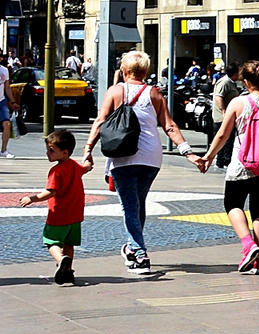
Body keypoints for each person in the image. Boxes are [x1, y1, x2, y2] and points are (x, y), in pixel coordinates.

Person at [81, 49, 195, 277]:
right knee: (138, 202)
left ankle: (140, 253)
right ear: (145, 71)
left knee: (130, 206)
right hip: (151, 157)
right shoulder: (154, 94)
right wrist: (187, 151)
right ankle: (133, 247)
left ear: (124, 70)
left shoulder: (115, 91)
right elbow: (169, 125)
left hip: (124, 155)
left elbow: (101, 121)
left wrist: (87, 150)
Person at [196, 60, 259, 273]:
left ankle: (249, 246)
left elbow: (223, 134)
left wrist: (209, 157)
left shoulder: (239, 104)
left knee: (232, 204)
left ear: (246, 82)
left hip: (242, 163)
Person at [20, 127, 87, 285]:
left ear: (64, 152)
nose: (47, 153)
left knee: (51, 241)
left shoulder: (56, 171)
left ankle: (60, 259)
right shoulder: (74, 165)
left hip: (59, 214)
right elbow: (86, 168)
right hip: (76, 215)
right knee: (69, 244)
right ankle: (68, 270)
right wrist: (88, 159)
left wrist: (31, 198)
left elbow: (50, 192)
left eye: (51, 150)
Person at [210, 65, 242, 169]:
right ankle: (223, 160)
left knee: (229, 138)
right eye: (239, 71)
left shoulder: (231, 83)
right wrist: (223, 111)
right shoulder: (224, 82)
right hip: (223, 117)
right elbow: (219, 97)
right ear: (234, 73)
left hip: (230, 116)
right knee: (226, 138)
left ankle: (224, 159)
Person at [0, 54, 11, 158]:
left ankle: (4, 150)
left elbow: (7, 87)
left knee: (7, 124)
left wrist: (12, 101)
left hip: (1, 101)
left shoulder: (4, 70)